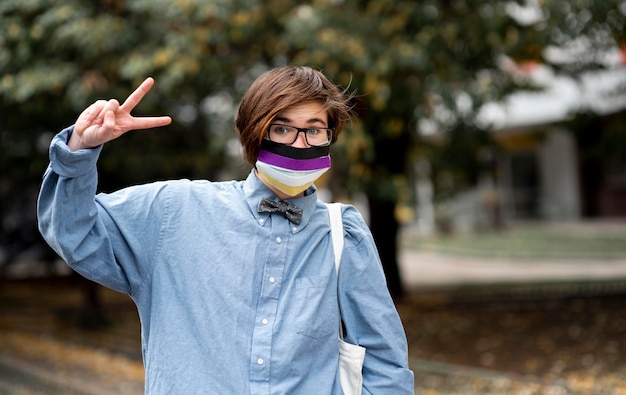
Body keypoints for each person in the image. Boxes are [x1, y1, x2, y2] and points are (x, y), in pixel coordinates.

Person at [38, 66, 414, 394]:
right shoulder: (173, 211)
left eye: (315, 130)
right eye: (282, 128)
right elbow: (74, 232)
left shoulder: (342, 233)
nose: (301, 143)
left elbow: (385, 360)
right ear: (254, 133)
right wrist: (78, 151)